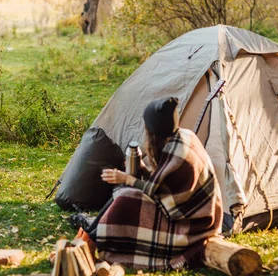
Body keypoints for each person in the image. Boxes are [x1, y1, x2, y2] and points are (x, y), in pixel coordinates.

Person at [87, 97, 223, 271]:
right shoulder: (182, 135)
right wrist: (142, 170)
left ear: (154, 130)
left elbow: (153, 189)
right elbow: (166, 184)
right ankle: (89, 236)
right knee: (124, 193)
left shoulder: (178, 152)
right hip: (184, 208)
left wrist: (125, 178)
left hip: (193, 221)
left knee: (126, 197)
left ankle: (92, 240)